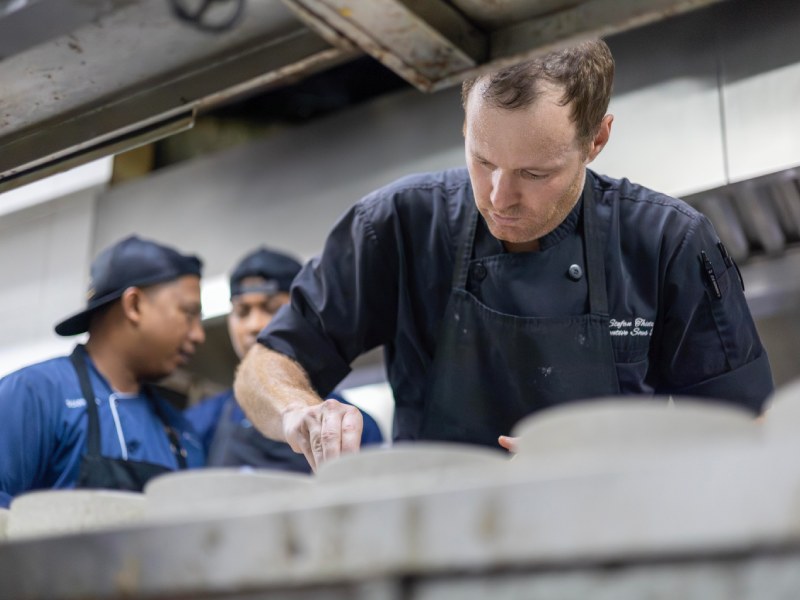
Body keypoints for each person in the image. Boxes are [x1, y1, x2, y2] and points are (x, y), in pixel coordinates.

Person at [234, 40, 774, 471]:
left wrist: (618, 458)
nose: (498, 196)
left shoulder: (667, 242)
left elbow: (750, 435)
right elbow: (264, 366)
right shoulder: (399, 224)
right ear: (465, 126)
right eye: (483, 160)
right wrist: (298, 413)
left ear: (597, 139)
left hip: (612, 540)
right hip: (438, 545)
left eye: (534, 173)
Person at [0, 235, 206, 507]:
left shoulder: (182, 434)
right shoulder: (34, 396)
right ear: (134, 305)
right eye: (189, 314)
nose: (198, 335)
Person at [185, 246, 383, 472]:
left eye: (272, 309)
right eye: (242, 311)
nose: (254, 325)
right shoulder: (198, 423)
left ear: (304, 318)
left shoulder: (351, 427)